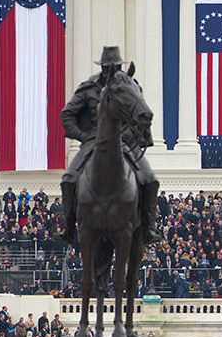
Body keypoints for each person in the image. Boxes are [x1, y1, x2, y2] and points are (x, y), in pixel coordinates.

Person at [57, 46, 159, 245]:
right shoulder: (88, 88)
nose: (112, 71)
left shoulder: (131, 86)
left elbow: (139, 115)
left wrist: (128, 136)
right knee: (68, 179)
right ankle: (68, 228)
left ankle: (148, 227)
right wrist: (84, 136)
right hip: (93, 142)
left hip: (126, 142)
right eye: (108, 67)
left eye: (116, 66)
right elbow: (66, 114)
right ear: (103, 68)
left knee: (150, 179)